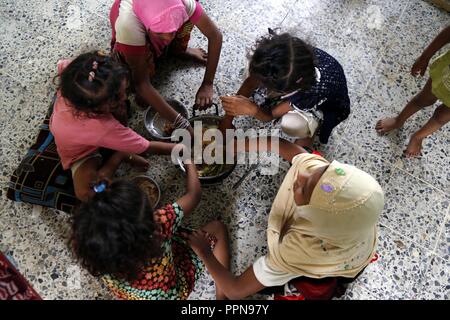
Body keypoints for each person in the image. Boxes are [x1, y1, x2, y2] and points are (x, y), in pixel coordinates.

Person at [185, 138, 384, 299]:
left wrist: (204, 252)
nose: (301, 175)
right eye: (318, 169)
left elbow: (235, 291)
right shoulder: (353, 207)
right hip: (358, 250)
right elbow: (286, 148)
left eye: (304, 188)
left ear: (312, 219)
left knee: (302, 285)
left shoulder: (298, 251)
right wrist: (235, 145)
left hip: (325, 264)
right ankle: (342, 283)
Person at [71, 157, 231, 300]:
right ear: (146, 223)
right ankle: (222, 296)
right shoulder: (160, 225)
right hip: (172, 291)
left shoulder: (89, 244)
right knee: (217, 228)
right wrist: (189, 161)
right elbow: (194, 194)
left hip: (136, 294)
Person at [49, 51, 178, 202]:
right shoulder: (102, 128)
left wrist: (117, 104)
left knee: (121, 109)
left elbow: (62, 64)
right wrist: (180, 149)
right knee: (86, 194)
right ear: (94, 108)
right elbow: (147, 147)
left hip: (73, 126)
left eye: (123, 90)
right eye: (117, 97)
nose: (124, 97)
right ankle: (120, 154)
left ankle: (121, 147)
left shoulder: (76, 76)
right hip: (82, 153)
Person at [220, 32, 350, 147]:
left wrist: (253, 110)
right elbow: (251, 81)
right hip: (302, 81)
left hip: (327, 104)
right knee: (253, 70)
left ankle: (313, 127)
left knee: (292, 124)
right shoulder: (287, 55)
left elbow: (269, 116)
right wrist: (227, 122)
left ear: (284, 90)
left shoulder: (309, 94)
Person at [109, 0, 223, 132]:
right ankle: (149, 55)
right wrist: (182, 123)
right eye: (160, 34)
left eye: (173, 32)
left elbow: (215, 36)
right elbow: (142, 84)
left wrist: (207, 84)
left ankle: (178, 49)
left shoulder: (182, 4)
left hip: (158, 22)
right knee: (137, 76)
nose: (168, 38)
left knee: (183, 22)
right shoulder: (127, 25)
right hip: (133, 35)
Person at [376, 25, 450, 157]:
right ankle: (399, 120)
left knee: (441, 117)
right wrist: (424, 57)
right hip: (445, 74)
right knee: (423, 99)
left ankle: (417, 137)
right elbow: (447, 33)